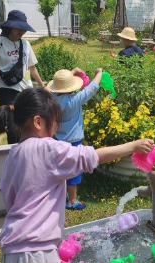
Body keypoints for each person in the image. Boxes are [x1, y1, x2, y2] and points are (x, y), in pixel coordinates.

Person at [0, 88, 155, 262]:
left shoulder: (14, 154)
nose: (56, 128)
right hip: (37, 251)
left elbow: (8, 197)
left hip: (11, 250)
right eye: (55, 122)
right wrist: (134, 146)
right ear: (38, 122)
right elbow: (93, 156)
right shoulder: (48, 148)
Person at [0, 9, 45, 144]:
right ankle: (14, 156)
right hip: (7, 90)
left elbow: (31, 67)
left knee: (30, 125)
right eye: (18, 28)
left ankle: (29, 153)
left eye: (23, 29)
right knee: (12, 128)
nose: (21, 31)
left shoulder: (25, 44)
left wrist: (43, 86)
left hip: (26, 90)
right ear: (10, 26)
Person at [48, 67, 102, 210]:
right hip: (73, 142)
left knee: (60, 169)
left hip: (58, 140)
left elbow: (53, 88)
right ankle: (72, 201)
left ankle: (61, 195)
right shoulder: (74, 100)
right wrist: (99, 73)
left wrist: (69, 75)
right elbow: (92, 88)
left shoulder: (52, 99)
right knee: (74, 171)